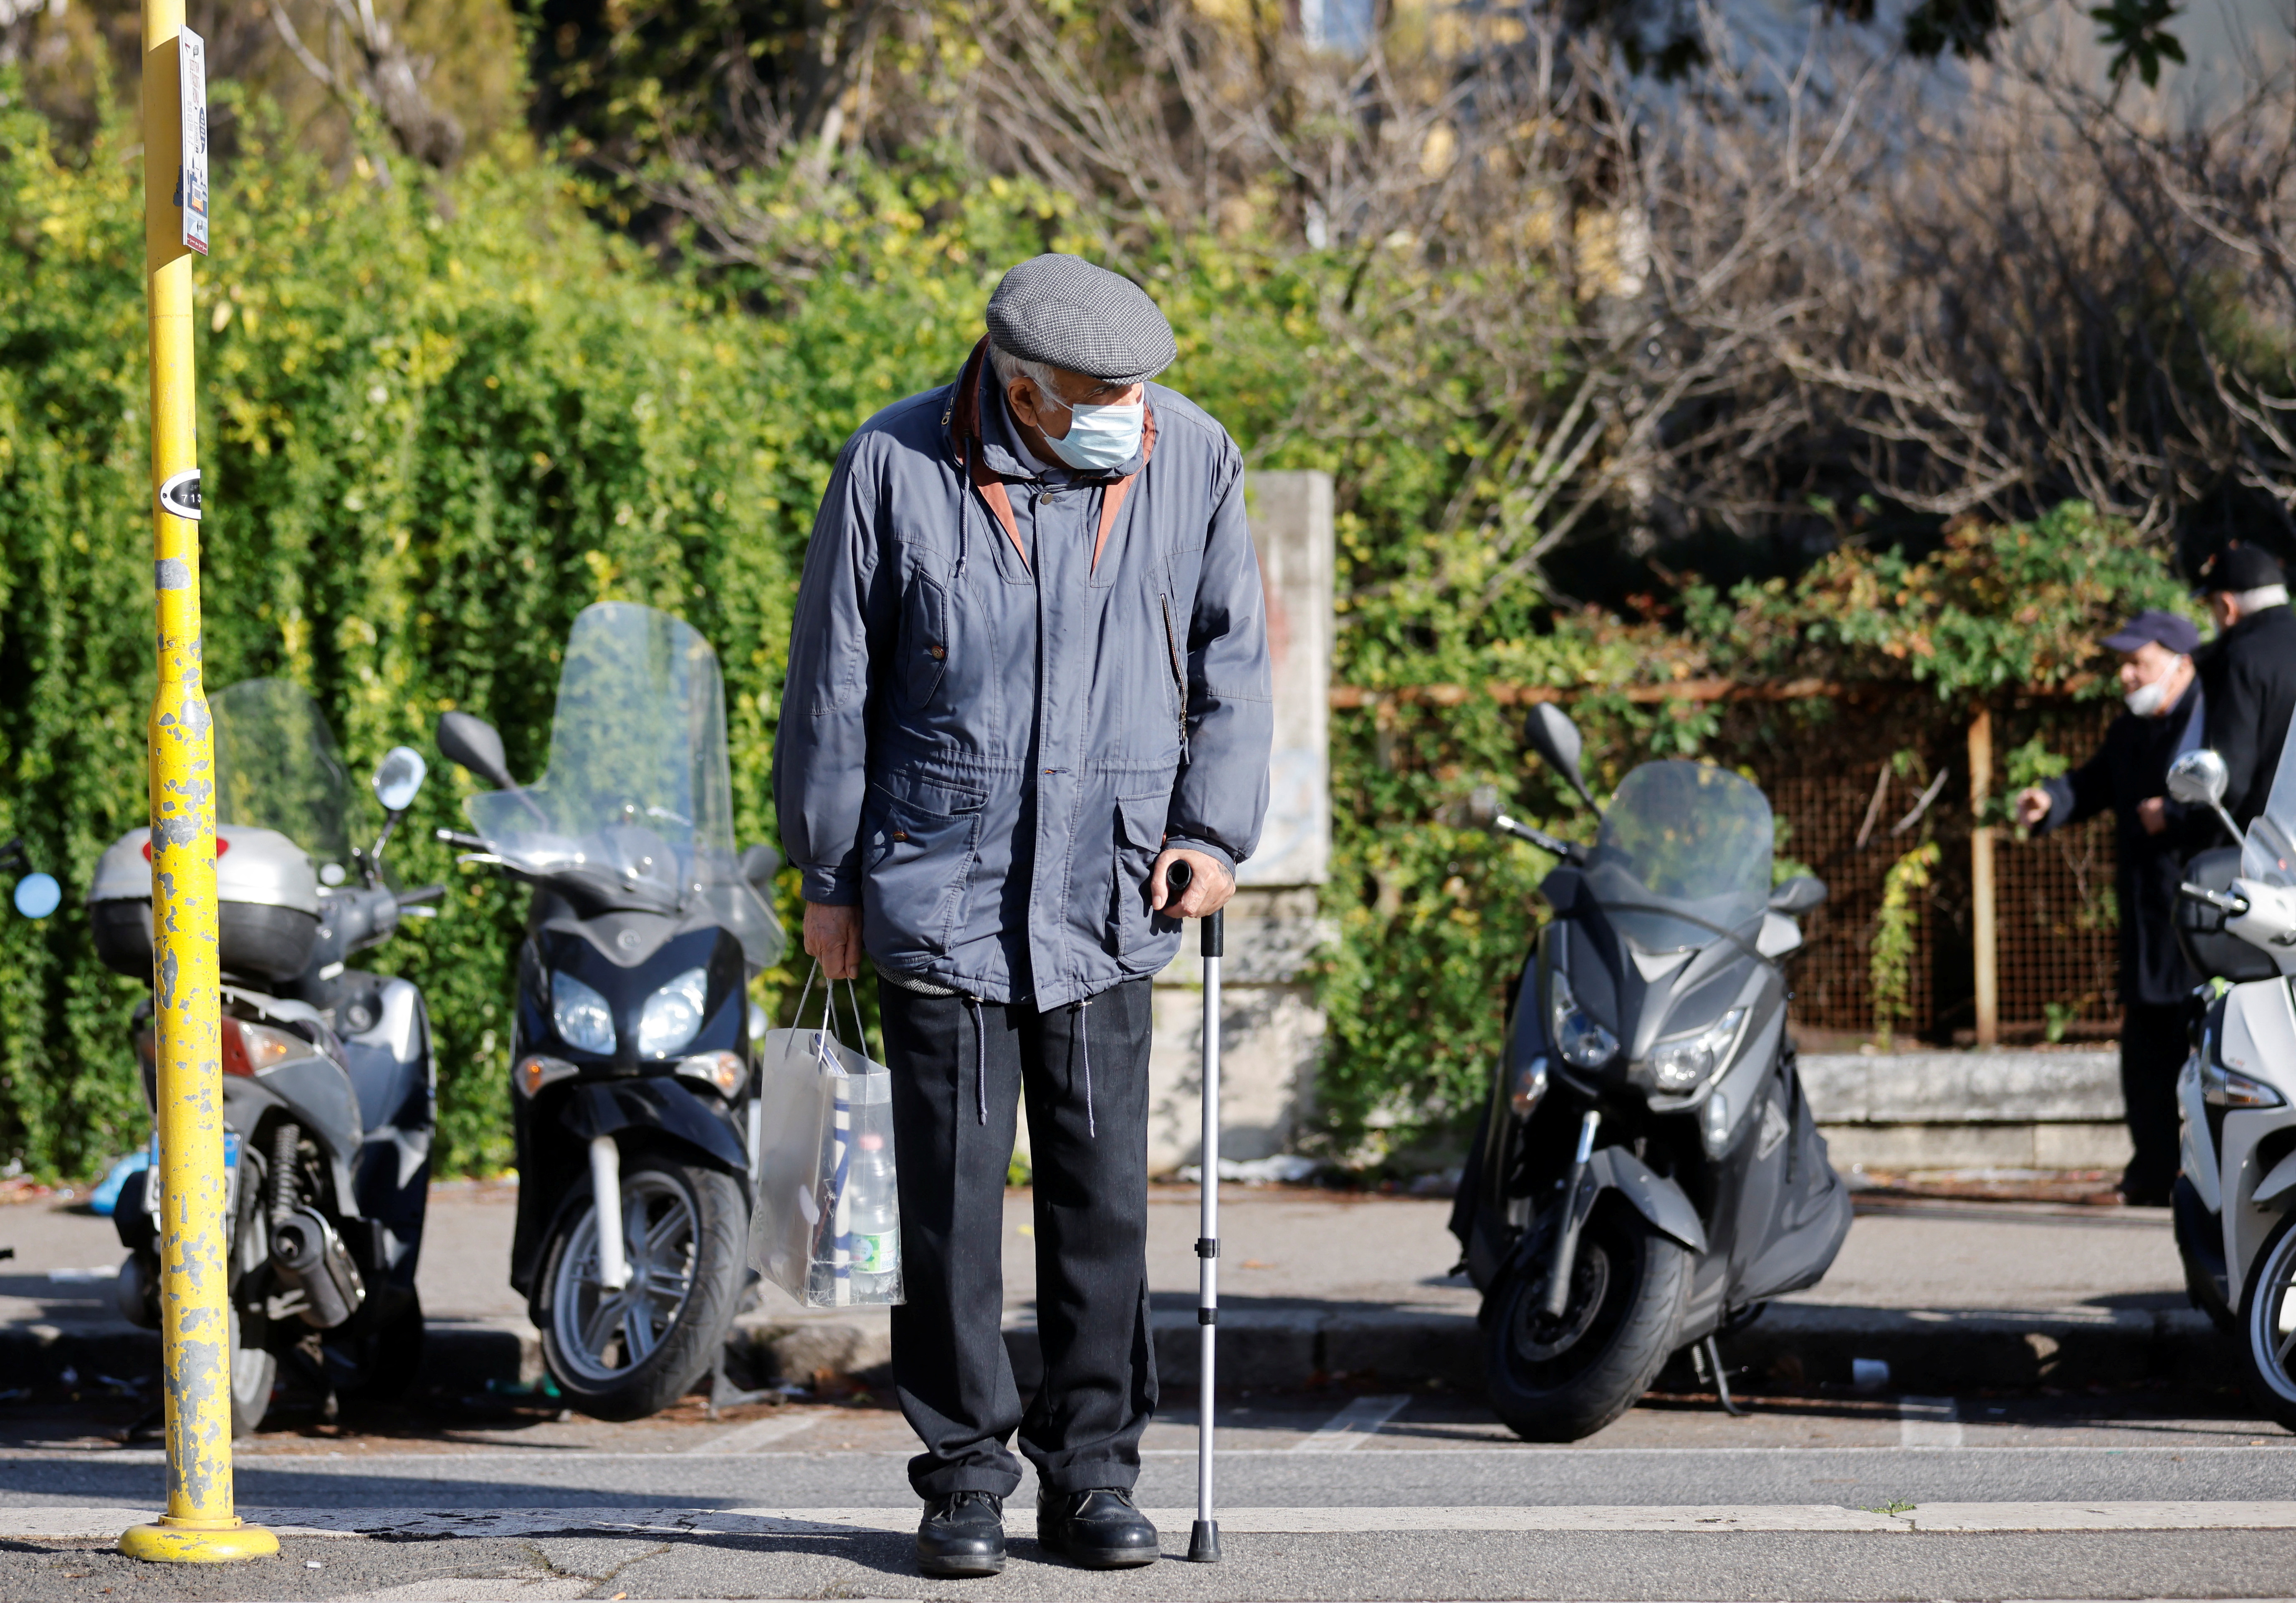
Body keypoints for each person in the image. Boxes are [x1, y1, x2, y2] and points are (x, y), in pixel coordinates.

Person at [771, 255, 1273, 1578]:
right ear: (1022, 386)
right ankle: (963, 1477)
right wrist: (829, 877)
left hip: (1110, 886)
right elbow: (832, 678)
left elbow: (1233, 662)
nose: (1132, 411)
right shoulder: (893, 463)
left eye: (1140, 389)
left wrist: (1213, 833)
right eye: (1104, 392)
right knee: (946, 1208)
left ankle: (1095, 1471)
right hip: (939, 885)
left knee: (1102, 1203)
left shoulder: (1193, 457)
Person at [2014, 610, 2205, 1207]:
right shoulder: (2132, 729)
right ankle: (2151, 1176)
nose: (2125, 675)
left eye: (2137, 662)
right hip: (2150, 923)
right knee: (2145, 1056)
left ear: (2180, 664)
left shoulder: (2218, 715)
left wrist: (2174, 816)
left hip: (2207, 921)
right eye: (2122, 663)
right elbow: (2096, 780)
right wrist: (2053, 797)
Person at [2193, 544, 2296, 830]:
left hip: (2269, 847)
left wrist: (2180, 823)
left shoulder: (2242, 658)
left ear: (2227, 606)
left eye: (2213, 605)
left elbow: (2231, 778)